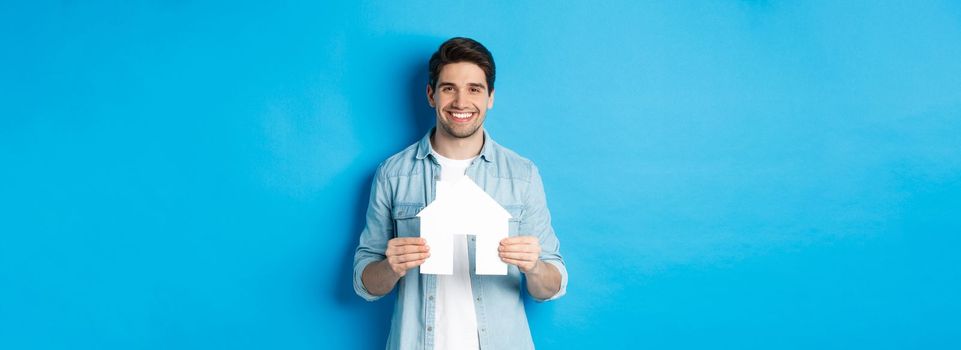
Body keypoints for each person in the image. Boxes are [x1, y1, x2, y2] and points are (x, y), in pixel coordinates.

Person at [353, 37, 568, 350]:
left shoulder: (522, 175)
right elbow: (365, 282)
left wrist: (533, 267)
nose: (461, 102)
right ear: (431, 95)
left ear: (490, 97)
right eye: (449, 88)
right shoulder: (393, 174)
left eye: (474, 89)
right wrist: (391, 266)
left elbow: (551, 284)